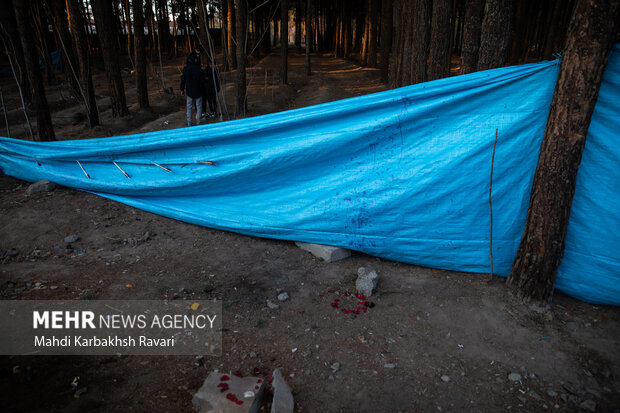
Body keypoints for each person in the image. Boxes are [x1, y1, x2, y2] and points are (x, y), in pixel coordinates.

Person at [180, 51, 204, 127]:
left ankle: (189, 122)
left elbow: (183, 79)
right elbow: (202, 80)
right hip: (198, 90)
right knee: (199, 106)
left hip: (189, 90)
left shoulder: (186, 69)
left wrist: (182, 89)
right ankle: (199, 122)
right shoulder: (199, 69)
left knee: (189, 106)